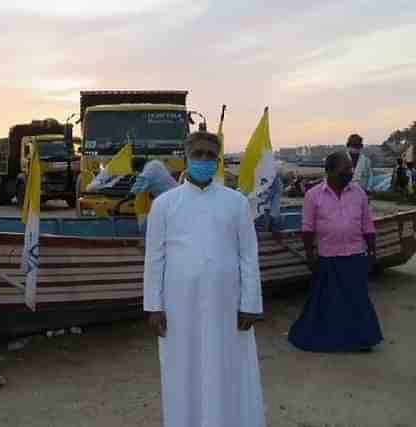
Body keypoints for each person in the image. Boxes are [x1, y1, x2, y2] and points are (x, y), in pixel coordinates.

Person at [144, 131, 265, 427]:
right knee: (183, 369)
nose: (203, 160)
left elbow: (248, 256)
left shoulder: (236, 203)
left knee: (228, 367)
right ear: (187, 155)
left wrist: (250, 303)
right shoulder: (164, 204)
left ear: (218, 160)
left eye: (210, 155)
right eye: (197, 154)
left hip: (227, 305)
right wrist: (153, 306)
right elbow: (154, 258)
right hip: (178, 306)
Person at [288, 152, 383, 352]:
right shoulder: (313, 195)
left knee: (357, 303)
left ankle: (361, 341)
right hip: (327, 258)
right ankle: (330, 342)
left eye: (350, 168)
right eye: (345, 169)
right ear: (329, 171)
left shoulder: (359, 193)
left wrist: (373, 254)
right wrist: (309, 255)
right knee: (329, 305)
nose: (350, 173)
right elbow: (307, 229)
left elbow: (368, 226)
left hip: (355, 256)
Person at [113, 158, 177, 213]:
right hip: (177, 193)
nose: (138, 172)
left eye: (137, 170)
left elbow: (133, 193)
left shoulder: (146, 174)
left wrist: (119, 203)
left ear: (139, 166)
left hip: (170, 202)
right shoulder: (156, 162)